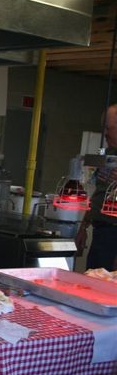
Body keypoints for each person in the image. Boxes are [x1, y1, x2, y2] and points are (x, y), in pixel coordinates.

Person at [76, 103, 117, 271]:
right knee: (92, 281)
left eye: (109, 128)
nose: (104, 134)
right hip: (101, 233)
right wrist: (83, 227)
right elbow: (99, 193)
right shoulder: (108, 156)